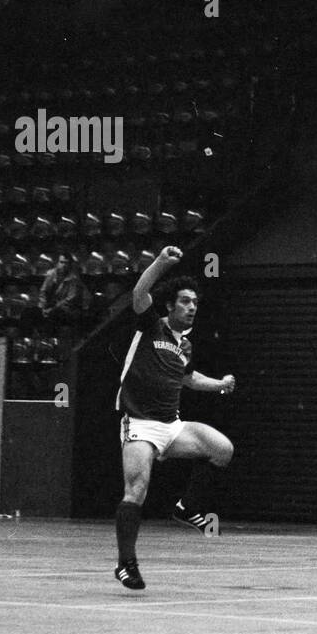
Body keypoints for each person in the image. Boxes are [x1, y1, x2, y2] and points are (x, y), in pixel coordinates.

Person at [113, 245, 237, 590]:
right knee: (136, 489)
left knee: (222, 450)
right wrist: (161, 263)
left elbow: (190, 379)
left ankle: (186, 507)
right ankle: (126, 564)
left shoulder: (185, 345)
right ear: (170, 305)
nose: (192, 307)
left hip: (172, 425)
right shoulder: (149, 325)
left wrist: (221, 385)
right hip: (139, 422)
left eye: (195, 303)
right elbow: (140, 292)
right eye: (185, 301)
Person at [21, 253, 90, 338]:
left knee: (56, 314)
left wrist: (51, 309)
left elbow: (71, 300)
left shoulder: (76, 281)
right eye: (61, 263)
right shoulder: (52, 277)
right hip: (52, 307)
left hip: (69, 310)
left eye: (66, 263)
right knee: (28, 312)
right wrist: (42, 307)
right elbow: (44, 293)